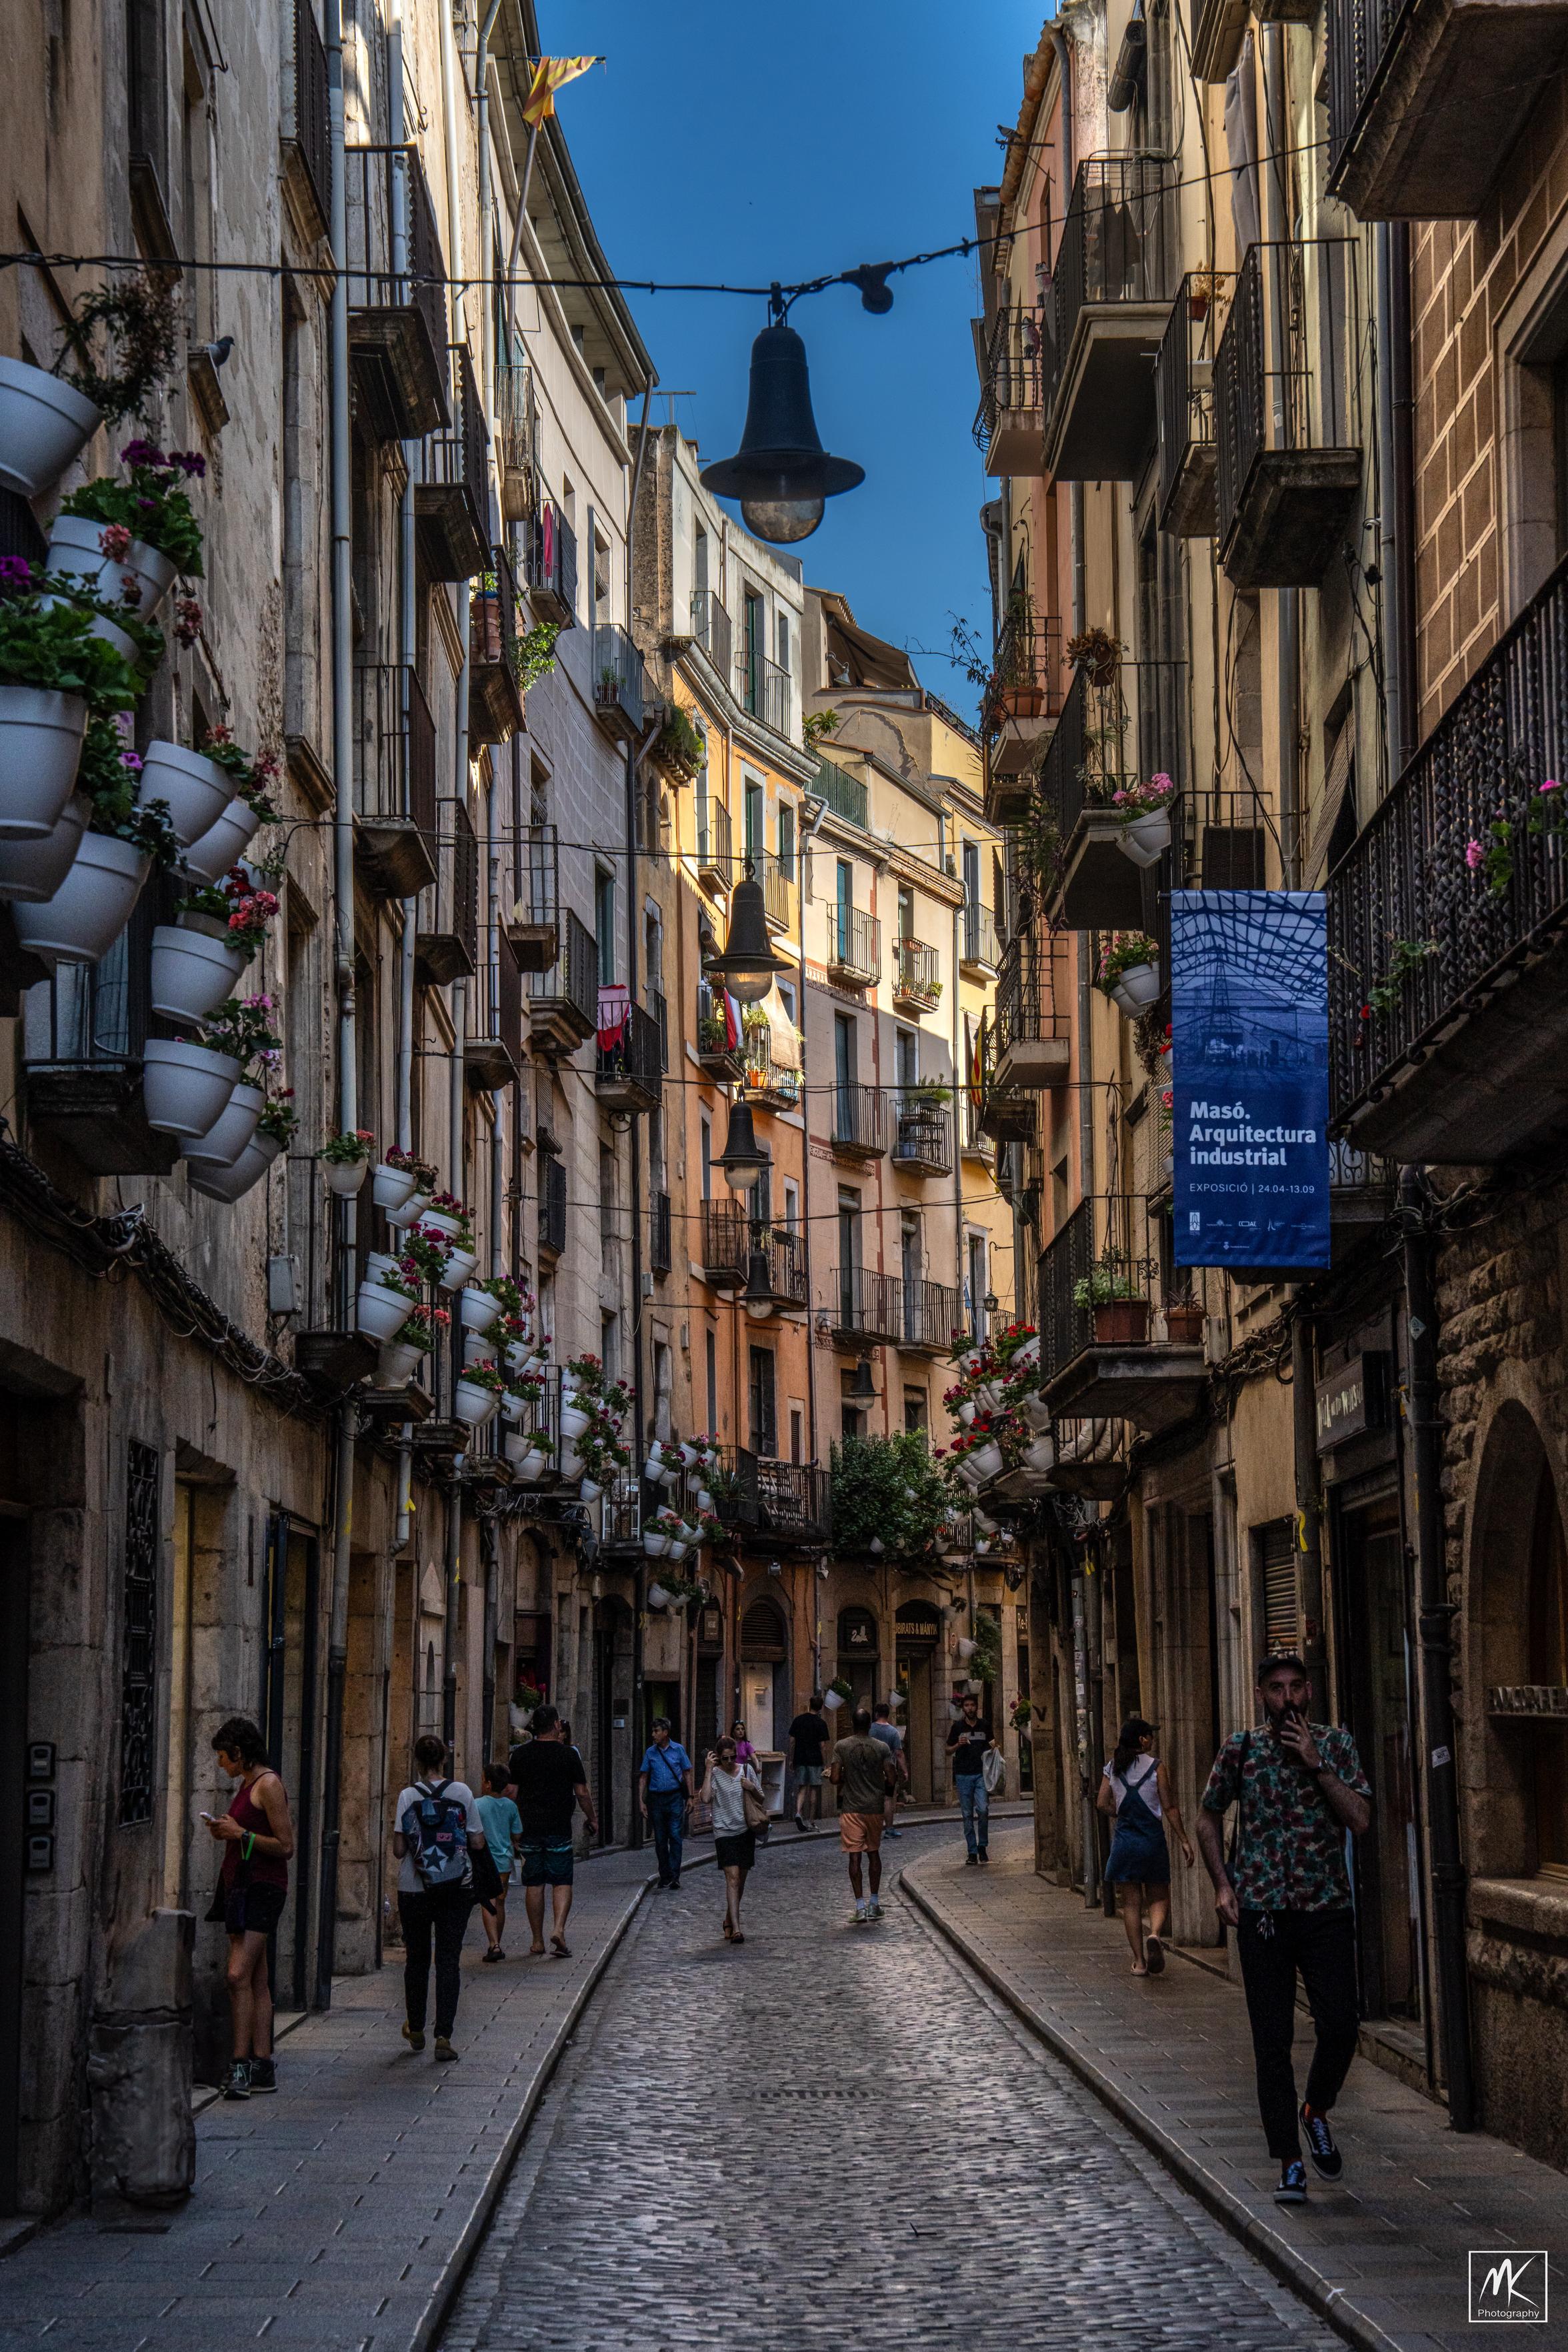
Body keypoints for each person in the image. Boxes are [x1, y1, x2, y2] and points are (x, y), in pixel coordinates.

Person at [1196, 1653, 1373, 2207]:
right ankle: (1290, 2162)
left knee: (1341, 2025)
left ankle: (1315, 2109)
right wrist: (1224, 1886)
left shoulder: (1337, 1745)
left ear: (1311, 1691)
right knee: (1271, 2042)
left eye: (1297, 1687)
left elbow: (1362, 1819)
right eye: (1276, 1688)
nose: (1288, 1697)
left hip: (1325, 1908)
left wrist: (1318, 1764)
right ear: (1260, 1695)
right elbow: (1207, 1815)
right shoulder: (1241, 1748)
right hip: (1264, 1912)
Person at [205, 1716, 295, 2100]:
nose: (221, 1764)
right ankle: (263, 2065)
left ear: (239, 1753)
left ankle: (239, 2067)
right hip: (241, 1886)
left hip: (261, 1888)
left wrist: (239, 1833)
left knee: (237, 1975)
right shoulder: (247, 1785)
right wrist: (227, 1829)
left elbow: (285, 1846)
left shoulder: (268, 1784)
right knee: (256, 1979)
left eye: (224, 1757)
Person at [392, 1734, 488, 2061]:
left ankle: (416, 2027)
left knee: (416, 1959)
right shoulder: (462, 1793)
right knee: (448, 1960)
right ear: (445, 1760)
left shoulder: (407, 1796)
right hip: (455, 1888)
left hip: (413, 1888)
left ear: (417, 1763)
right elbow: (476, 1843)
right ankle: (444, 2035)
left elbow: (398, 1850)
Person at [1097, 1716, 1194, 1976]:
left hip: (1125, 1842)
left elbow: (1101, 1803)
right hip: (1151, 1841)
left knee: (1131, 1904)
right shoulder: (1156, 1767)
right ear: (1142, 1740)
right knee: (1159, 1895)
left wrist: (1117, 1812)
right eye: (1149, 1735)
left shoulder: (1113, 1767)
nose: (1152, 1739)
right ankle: (1154, 1934)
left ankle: (1139, 1962)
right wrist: (1184, 1840)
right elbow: (1169, 1806)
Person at [511, 1704, 597, 1957]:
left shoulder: (521, 1756)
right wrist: (593, 1818)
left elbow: (512, 1793)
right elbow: (581, 1792)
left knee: (534, 1884)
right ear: (557, 1725)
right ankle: (558, 1929)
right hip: (559, 1827)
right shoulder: (569, 1755)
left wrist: (512, 1828)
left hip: (530, 1828)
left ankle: (537, 1941)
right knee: (561, 1881)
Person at [829, 1706, 897, 1923]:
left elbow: (834, 1778)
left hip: (852, 1808)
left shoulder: (842, 1746)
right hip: (874, 1808)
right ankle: (874, 1903)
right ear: (869, 1725)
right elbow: (892, 1778)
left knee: (854, 1856)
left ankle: (859, 1907)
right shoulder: (882, 1747)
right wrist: (882, 1790)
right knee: (874, 1853)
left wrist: (845, 1776)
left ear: (852, 1724)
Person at [700, 1734, 763, 1943]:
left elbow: (761, 1797)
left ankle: (728, 1919)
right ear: (718, 1757)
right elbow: (706, 1798)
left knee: (741, 1881)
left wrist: (752, 1788)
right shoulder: (716, 1774)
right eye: (725, 1758)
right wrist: (708, 1770)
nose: (730, 1762)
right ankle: (736, 1929)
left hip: (745, 1831)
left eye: (733, 1757)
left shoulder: (746, 1770)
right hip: (724, 1832)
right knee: (733, 1878)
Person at [638, 1716, 695, 1889]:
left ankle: (675, 1876)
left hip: (675, 1798)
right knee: (661, 1839)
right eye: (653, 1731)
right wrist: (641, 1800)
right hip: (656, 1799)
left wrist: (691, 1797)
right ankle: (665, 1874)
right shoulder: (650, 1753)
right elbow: (643, 1777)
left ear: (665, 1732)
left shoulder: (678, 1750)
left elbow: (687, 1773)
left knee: (676, 1836)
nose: (653, 1735)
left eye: (656, 1731)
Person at [475, 1760, 523, 1961]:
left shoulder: (477, 1805)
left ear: (487, 1783)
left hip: (485, 1862)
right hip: (504, 1862)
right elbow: (517, 1834)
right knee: (501, 1902)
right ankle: (497, 1943)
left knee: (488, 1902)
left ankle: (493, 1943)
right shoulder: (511, 1806)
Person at [946, 1691, 994, 1863]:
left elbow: (992, 1745)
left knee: (983, 1810)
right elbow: (947, 1750)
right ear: (963, 1708)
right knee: (967, 1814)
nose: (970, 1708)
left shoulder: (984, 1725)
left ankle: (983, 1846)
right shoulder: (957, 1728)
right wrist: (958, 1745)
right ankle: (972, 1851)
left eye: (972, 1705)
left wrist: (996, 1751)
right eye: (966, 1706)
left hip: (981, 1774)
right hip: (963, 1775)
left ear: (976, 1707)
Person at [787, 1692, 830, 1831]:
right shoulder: (821, 1723)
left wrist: (791, 1759)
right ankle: (811, 1821)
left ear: (809, 1705)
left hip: (800, 1758)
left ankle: (798, 1813)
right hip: (815, 1760)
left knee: (802, 1788)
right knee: (814, 1790)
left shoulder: (798, 1720)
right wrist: (825, 1763)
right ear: (821, 1708)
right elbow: (822, 1746)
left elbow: (792, 1741)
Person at [869, 1700, 908, 1839]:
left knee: (871, 1798)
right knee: (888, 1800)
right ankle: (889, 1828)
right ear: (888, 1715)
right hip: (888, 1771)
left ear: (876, 1714)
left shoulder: (870, 1729)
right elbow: (899, 1754)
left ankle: (871, 1828)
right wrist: (905, 1771)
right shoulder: (893, 1732)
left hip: (870, 1770)